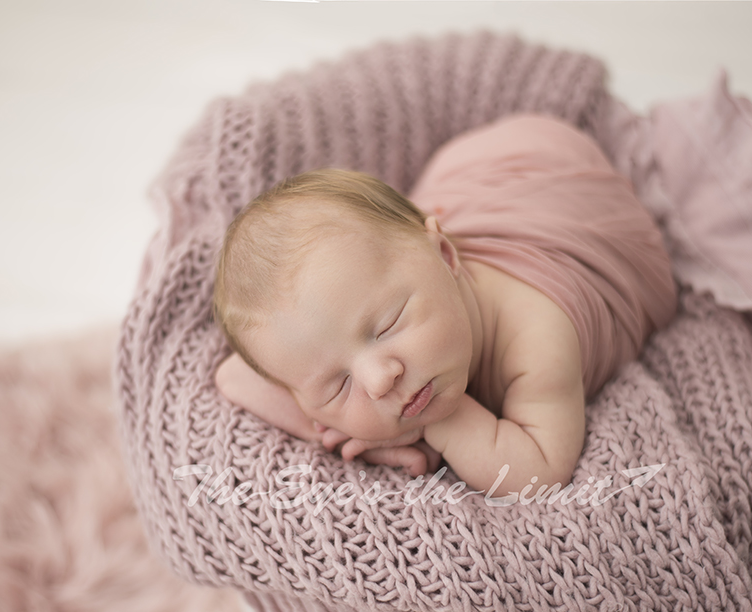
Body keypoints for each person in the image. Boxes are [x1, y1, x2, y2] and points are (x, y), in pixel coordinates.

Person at [213, 114, 677, 497]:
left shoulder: (538, 337)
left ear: (446, 255)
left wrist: (439, 425)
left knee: (392, 235)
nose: (378, 381)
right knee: (385, 245)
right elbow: (234, 376)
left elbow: (538, 473)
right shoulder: (341, 330)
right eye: (338, 386)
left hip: (540, 167)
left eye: (388, 324)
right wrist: (363, 439)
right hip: (441, 236)